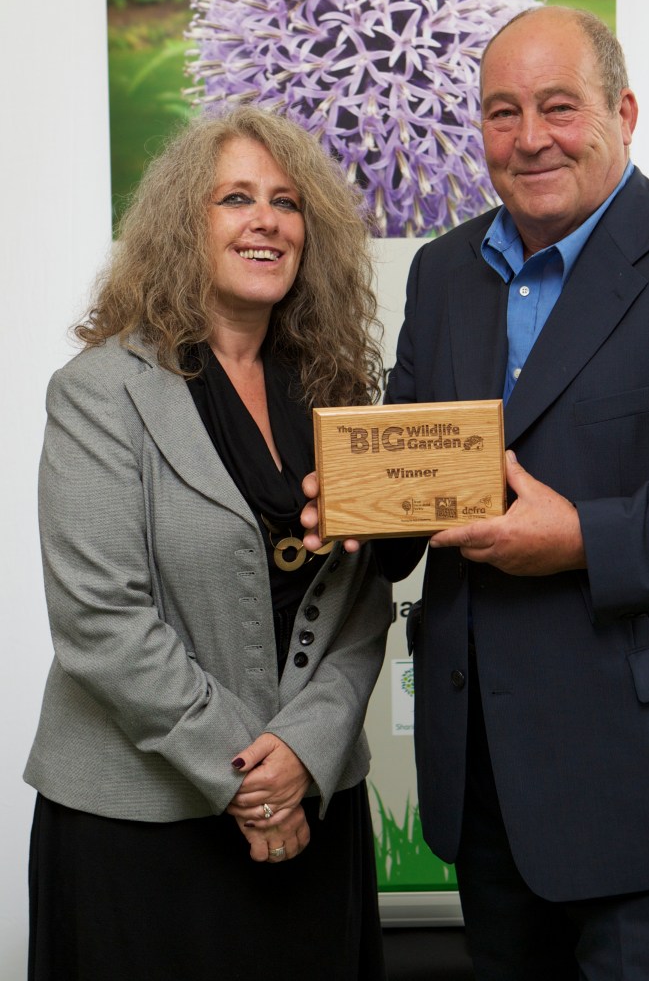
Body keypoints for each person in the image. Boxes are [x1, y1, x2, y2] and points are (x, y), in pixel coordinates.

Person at [303, 6, 649, 979]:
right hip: (486, 781)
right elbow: (422, 460)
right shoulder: (445, 273)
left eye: (557, 106)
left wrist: (581, 536)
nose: (528, 136)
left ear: (621, 111)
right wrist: (357, 510)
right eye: (500, 112)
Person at [25, 107, 391, 981]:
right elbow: (101, 623)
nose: (266, 219)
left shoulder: (339, 394)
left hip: (316, 803)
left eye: (287, 201)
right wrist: (251, 779)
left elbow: (365, 598)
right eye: (236, 198)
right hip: (144, 831)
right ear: (184, 224)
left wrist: (303, 752)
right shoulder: (98, 392)